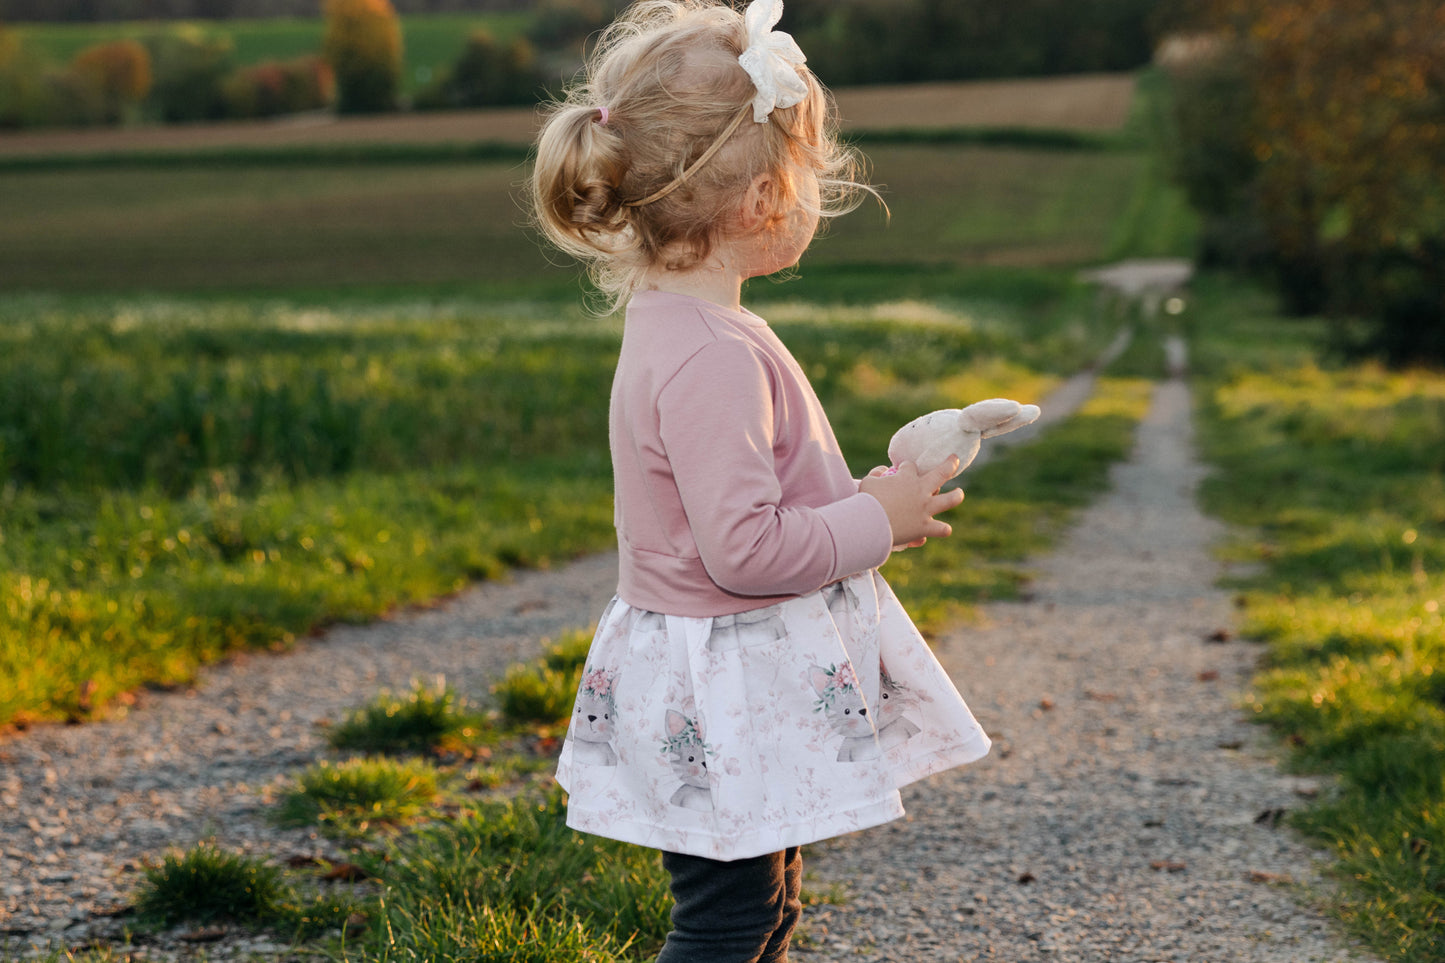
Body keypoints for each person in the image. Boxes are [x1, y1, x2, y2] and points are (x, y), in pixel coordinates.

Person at [530, 2, 991, 960]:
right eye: (809, 174)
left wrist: (866, 494)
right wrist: (875, 521)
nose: (819, 194)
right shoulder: (711, 353)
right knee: (727, 920)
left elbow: (755, 501)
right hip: (725, 688)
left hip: (732, 677)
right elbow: (742, 551)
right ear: (760, 201)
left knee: (764, 907)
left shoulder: (686, 324)